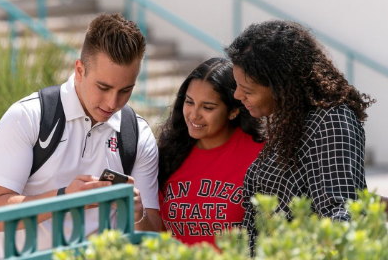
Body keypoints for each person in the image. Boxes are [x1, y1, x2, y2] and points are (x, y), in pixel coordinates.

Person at [0, 13, 161, 258]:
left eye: (126, 90)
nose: (112, 102)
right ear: (79, 69)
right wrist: (64, 198)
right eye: (103, 87)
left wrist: (137, 212)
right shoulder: (26, 116)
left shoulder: (138, 134)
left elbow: (153, 236)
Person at [226, 19, 375, 253]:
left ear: (282, 84)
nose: (237, 95)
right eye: (237, 85)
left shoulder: (330, 121)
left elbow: (340, 213)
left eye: (247, 89)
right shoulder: (290, 120)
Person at [157, 57, 265, 246]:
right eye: (189, 102)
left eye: (208, 107)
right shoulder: (168, 154)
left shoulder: (260, 155)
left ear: (233, 111)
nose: (194, 115)